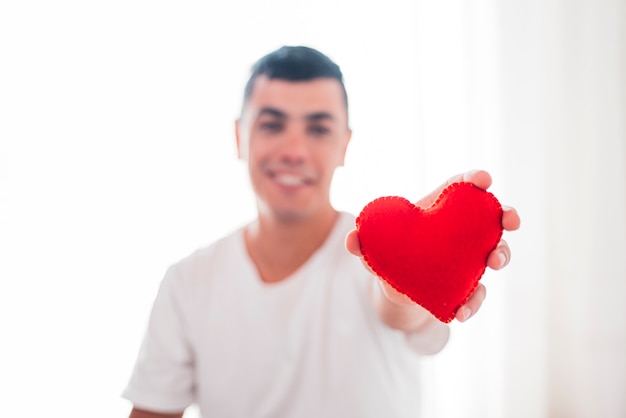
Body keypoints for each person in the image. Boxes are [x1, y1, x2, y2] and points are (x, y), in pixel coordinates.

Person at [122, 45, 521, 418]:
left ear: (344, 146)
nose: (294, 150)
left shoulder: (369, 252)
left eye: (318, 129)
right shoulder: (188, 281)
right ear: (240, 137)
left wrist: (409, 282)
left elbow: (398, 310)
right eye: (272, 125)